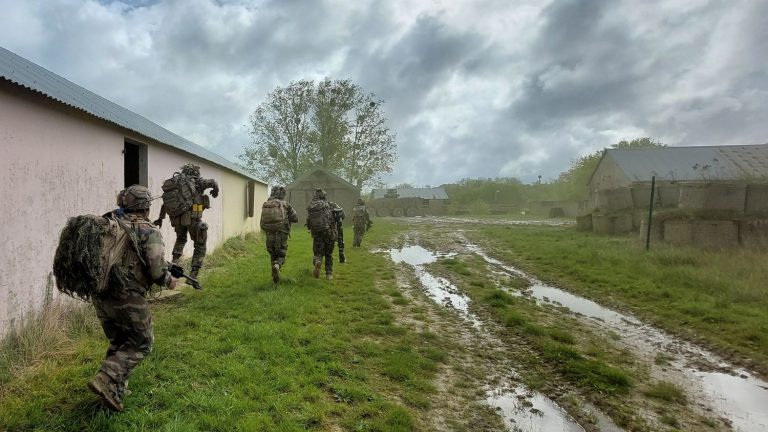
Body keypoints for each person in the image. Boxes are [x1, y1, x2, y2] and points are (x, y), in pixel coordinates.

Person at [88, 184, 178, 412]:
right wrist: (169, 280)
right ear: (146, 207)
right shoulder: (148, 230)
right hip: (126, 295)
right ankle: (107, 377)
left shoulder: (108, 224)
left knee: (120, 342)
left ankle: (112, 395)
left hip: (101, 294)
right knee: (142, 343)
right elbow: (156, 270)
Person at [154, 163, 219, 279]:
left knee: (181, 239)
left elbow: (165, 205)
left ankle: (174, 263)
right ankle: (194, 274)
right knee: (200, 244)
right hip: (193, 218)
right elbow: (213, 182)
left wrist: (160, 219)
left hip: (177, 219)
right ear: (195, 172)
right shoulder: (197, 182)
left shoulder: (176, 184)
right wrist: (215, 191)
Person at [261, 186, 298, 283]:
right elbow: (295, 218)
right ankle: (277, 266)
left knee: (272, 253)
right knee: (281, 254)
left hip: (269, 233)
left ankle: (275, 279)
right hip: (282, 232)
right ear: (282, 194)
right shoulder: (286, 204)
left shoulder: (267, 204)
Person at [306, 188, 344, 280]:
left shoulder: (312, 207)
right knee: (329, 254)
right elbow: (343, 215)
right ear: (325, 195)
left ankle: (318, 261)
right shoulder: (332, 205)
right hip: (330, 233)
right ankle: (329, 274)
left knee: (318, 253)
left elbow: (308, 221)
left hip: (318, 234)